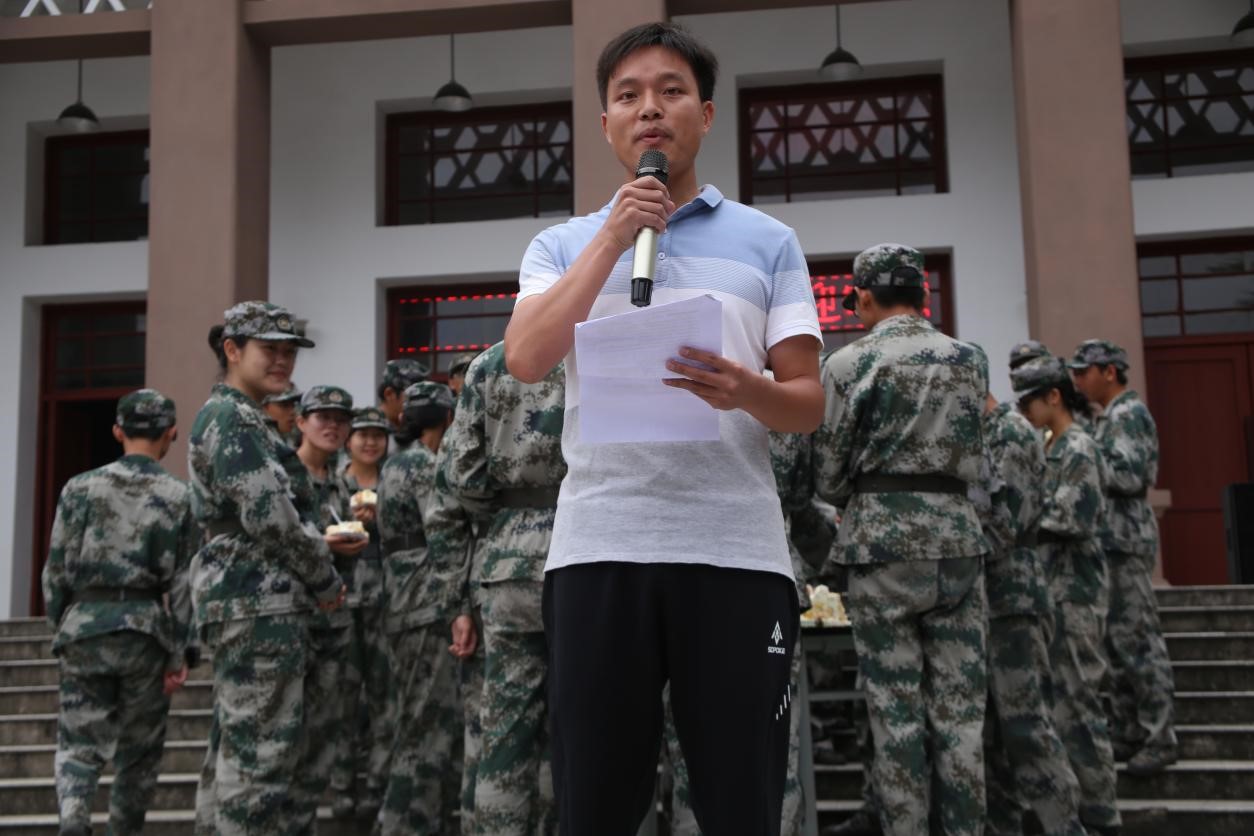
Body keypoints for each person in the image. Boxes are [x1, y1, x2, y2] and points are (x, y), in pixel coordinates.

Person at [503, 21, 823, 835]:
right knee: (595, 804)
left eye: (671, 91)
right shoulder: (561, 245)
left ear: (706, 115)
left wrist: (745, 389)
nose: (650, 108)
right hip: (599, 549)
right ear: (606, 122)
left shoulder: (769, 242)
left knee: (742, 802)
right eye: (629, 95)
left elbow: (807, 402)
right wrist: (613, 236)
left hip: (735, 553)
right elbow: (527, 358)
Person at [812, 243, 989, 836]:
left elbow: (828, 473)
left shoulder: (847, 364)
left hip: (881, 547)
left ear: (863, 297)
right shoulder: (969, 359)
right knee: (961, 716)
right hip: (958, 539)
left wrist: (859, 494)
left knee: (895, 713)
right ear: (923, 294)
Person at [189, 302, 349, 835]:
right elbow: (272, 517)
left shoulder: (243, 416)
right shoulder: (233, 417)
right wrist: (324, 578)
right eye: (269, 349)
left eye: (288, 351)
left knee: (236, 753)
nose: (282, 360)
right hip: (257, 600)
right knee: (259, 761)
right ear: (232, 350)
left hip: (252, 598)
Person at [42, 388, 196, 836]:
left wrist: (61, 624)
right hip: (145, 631)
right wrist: (183, 650)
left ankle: (74, 818)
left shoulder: (79, 488)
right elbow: (184, 582)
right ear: (171, 433)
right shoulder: (180, 496)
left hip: (84, 625)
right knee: (138, 753)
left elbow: (56, 569)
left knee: (78, 742)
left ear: (117, 431)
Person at [427, 341, 566, 835]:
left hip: (509, 562)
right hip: (586, 552)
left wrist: (512, 512)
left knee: (505, 734)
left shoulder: (489, 363)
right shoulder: (602, 345)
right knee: (582, 728)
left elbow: (462, 478)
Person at [974, 353, 1086, 836]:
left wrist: (951, 539)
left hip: (1013, 600)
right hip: (985, 600)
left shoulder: (1012, 434)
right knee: (991, 738)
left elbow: (1008, 524)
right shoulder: (980, 435)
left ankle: (1065, 826)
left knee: (1027, 728)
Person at [1012, 355, 1121, 835]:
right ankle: (1073, 807)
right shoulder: (1048, 444)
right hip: (1050, 591)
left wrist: (1019, 519)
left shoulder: (1078, 447)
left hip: (1076, 592)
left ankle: (1102, 812)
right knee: (1057, 704)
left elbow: (1074, 517)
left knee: (1079, 703)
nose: (1024, 412)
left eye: (1029, 402)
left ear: (1054, 397)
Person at [1068, 338, 1177, 774]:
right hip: (1109, 541)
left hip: (1126, 541)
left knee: (1138, 642)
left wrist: (1082, 450)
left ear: (1109, 372)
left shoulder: (1129, 414)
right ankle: (1130, 729)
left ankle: (1159, 736)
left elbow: (1129, 477)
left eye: (1084, 371)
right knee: (1116, 643)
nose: (1078, 380)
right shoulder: (1108, 417)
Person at [376, 381, 466, 835]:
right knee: (425, 728)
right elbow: (443, 531)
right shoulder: (426, 466)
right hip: (426, 602)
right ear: (448, 419)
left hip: (402, 600)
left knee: (418, 722)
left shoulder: (395, 463)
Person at [291, 386, 369, 832]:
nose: (333, 426)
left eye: (341, 419)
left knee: (322, 741)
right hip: (289, 621)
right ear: (301, 422)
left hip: (333, 623)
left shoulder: (342, 485)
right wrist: (324, 543)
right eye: (323, 417)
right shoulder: (284, 477)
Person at [330, 405, 395, 819]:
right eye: (362, 434)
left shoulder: (394, 481)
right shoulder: (335, 483)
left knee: (384, 696)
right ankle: (341, 785)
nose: (370, 442)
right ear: (348, 440)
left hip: (386, 599)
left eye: (378, 435)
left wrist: (381, 519)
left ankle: (377, 782)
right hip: (343, 599)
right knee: (343, 695)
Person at [379, 358, 430, 450]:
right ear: (389, 394)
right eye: (413, 397)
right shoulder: (371, 431)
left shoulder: (417, 428)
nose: (420, 404)